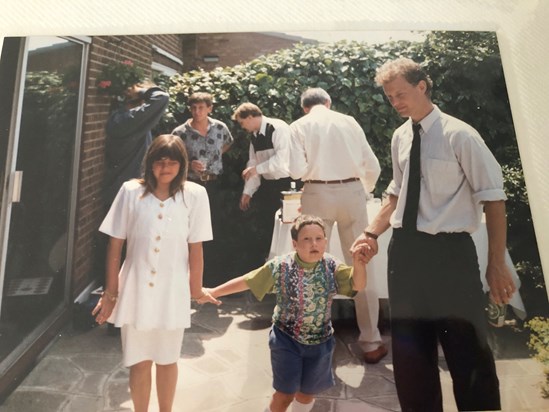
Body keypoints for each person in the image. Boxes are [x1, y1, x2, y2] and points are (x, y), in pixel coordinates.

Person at [352, 57, 516, 411]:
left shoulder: (461, 135)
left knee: (468, 353)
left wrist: (496, 264)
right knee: (411, 359)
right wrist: (371, 233)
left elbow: (494, 199)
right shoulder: (400, 137)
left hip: (450, 256)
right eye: (389, 97)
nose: (395, 103)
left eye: (400, 94)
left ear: (422, 86)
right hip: (405, 255)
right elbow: (397, 194)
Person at [92, 134, 220, 412]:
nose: (165, 167)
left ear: (182, 164)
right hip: (135, 290)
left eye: (172, 161)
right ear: (149, 163)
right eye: (159, 160)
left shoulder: (195, 196)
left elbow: (195, 248)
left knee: (167, 359)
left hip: (171, 294)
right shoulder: (130, 192)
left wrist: (196, 290)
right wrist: (111, 293)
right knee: (139, 361)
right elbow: (115, 245)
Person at [207, 215, 369, 412]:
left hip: (321, 342)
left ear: (325, 241)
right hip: (286, 339)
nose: (313, 244)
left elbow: (357, 284)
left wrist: (358, 265)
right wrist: (213, 292)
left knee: (307, 393)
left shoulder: (332, 266)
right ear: (295, 244)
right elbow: (249, 280)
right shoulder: (281, 266)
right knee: (284, 394)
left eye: (318, 238)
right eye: (307, 239)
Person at [288, 87, 386, 364]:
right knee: (361, 263)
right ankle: (371, 341)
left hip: (317, 194)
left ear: (305, 107)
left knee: (311, 266)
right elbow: (373, 165)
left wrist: (316, 174)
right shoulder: (349, 121)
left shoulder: (298, 126)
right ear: (328, 103)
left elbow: (295, 170)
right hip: (352, 191)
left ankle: (313, 340)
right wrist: (362, 189)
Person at [171, 92, 233, 277]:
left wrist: (215, 160)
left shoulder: (220, 128)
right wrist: (189, 164)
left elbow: (227, 144)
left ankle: (211, 275)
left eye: (201, 108)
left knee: (213, 228)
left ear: (209, 108)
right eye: (194, 108)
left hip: (214, 185)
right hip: (189, 185)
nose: (197, 112)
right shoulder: (180, 132)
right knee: (188, 230)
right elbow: (173, 157)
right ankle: (186, 274)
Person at [232, 102, 296, 262]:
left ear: (251, 116)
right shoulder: (254, 137)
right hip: (269, 186)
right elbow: (252, 164)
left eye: (242, 122)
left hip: (289, 185)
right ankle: (273, 264)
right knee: (268, 225)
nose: (242, 126)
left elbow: (282, 160)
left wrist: (256, 170)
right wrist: (248, 192)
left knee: (291, 225)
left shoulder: (278, 128)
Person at [103, 79, 169, 210]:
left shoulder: (127, 120)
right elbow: (162, 98)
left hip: (130, 192)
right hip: (125, 195)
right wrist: (140, 91)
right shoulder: (127, 121)